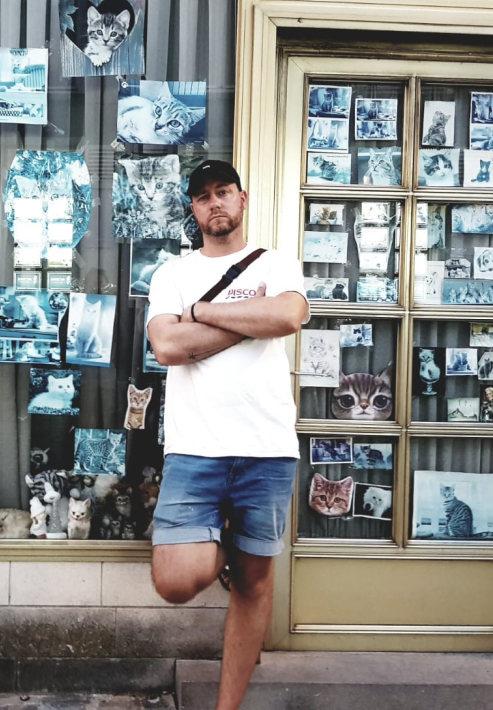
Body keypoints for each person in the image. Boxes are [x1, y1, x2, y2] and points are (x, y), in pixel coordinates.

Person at [146, 160, 309, 710]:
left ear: (242, 199)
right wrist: (247, 318)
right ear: (193, 210)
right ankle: (225, 550)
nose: (214, 202)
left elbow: (287, 317)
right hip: (195, 449)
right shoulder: (171, 274)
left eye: (223, 191)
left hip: (267, 447)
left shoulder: (277, 263)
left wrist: (200, 314)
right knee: (174, 580)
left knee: (254, 585)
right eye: (202, 196)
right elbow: (167, 347)